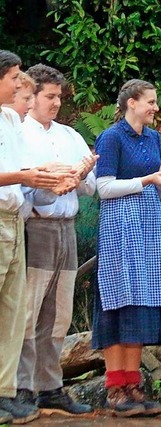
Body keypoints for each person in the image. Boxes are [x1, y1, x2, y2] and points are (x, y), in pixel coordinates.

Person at [17, 63, 97, 417]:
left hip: (67, 225)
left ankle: (50, 386)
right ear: (31, 96)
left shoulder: (68, 135)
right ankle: (21, 387)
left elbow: (91, 186)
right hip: (37, 225)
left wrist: (80, 174)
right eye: (49, 97)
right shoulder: (20, 133)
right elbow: (23, 190)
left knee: (59, 313)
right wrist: (53, 182)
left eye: (59, 97)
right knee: (29, 310)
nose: (56, 104)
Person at [91, 79, 161, 417]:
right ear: (132, 103)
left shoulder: (153, 138)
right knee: (117, 298)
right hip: (120, 222)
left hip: (149, 220)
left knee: (139, 299)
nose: (155, 107)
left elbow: (160, 179)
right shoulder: (111, 137)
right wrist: (147, 180)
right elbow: (103, 187)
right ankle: (115, 386)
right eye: (150, 102)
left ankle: (133, 383)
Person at [0, 50, 67, 426]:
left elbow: (22, 168)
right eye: (13, 77)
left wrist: (51, 174)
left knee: (11, 313)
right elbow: (16, 174)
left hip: (13, 219)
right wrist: (28, 177)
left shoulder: (10, 119)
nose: (18, 84)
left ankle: (5, 392)